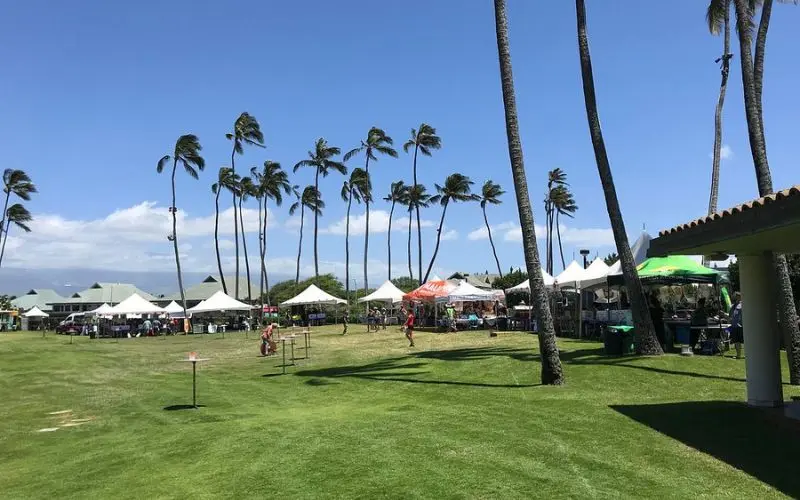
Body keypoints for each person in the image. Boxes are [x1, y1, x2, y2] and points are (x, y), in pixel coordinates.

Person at [730, 292, 744, 359]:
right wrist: (723, 314)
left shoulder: (742, 305)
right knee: (736, 341)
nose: (733, 297)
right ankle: (738, 355)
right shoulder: (733, 306)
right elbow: (730, 316)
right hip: (734, 326)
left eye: (735, 296)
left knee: (744, 341)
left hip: (741, 326)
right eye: (734, 296)